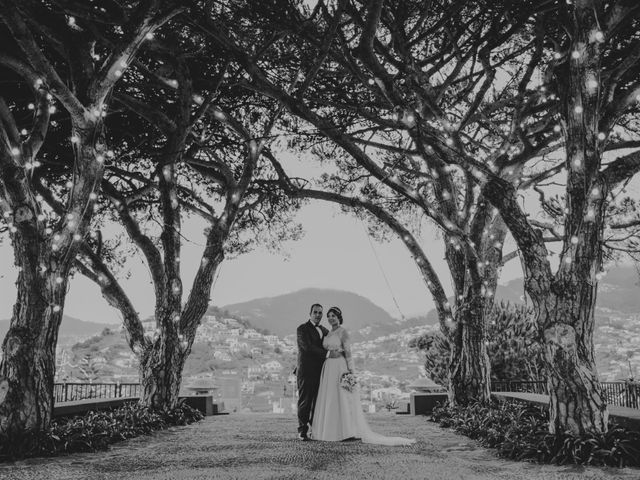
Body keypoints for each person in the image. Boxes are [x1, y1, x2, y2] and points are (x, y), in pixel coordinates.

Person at [310, 306, 416, 446]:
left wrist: (351, 373)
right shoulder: (328, 333)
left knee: (341, 398)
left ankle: (345, 431)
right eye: (329, 316)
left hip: (339, 367)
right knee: (330, 399)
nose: (330, 318)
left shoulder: (343, 333)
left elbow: (348, 354)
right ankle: (328, 431)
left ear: (339, 318)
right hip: (328, 368)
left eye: (333, 316)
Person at [296, 303, 340, 440]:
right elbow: (307, 347)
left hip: (321, 372)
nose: (317, 315)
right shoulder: (302, 329)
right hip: (306, 371)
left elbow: (333, 339)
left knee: (318, 402)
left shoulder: (325, 330)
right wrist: (328, 354)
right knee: (305, 402)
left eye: (320, 313)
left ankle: (315, 431)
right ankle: (302, 431)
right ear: (310, 314)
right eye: (315, 312)